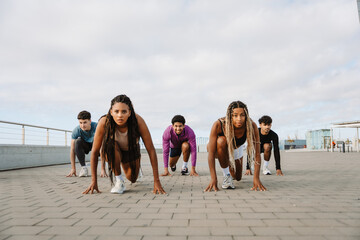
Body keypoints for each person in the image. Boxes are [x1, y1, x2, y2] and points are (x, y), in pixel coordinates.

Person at [83, 94, 166, 194]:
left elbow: (151, 150)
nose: (120, 115)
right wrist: (94, 181)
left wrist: (156, 181)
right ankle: (119, 181)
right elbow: (95, 151)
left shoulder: (138, 121)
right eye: (116, 111)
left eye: (124, 111)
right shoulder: (104, 122)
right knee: (108, 146)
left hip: (131, 151)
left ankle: (137, 168)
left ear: (129, 112)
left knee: (132, 179)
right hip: (115, 150)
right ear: (111, 112)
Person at [205, 101, 266, 192]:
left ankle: (228, 162)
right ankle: (226, 176)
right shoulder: (219, 124)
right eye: (235, 115)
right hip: (219, 147)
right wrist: (213, 178)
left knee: (237, 177)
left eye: (242, 115)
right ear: (230, 116)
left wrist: (256, 178)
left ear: (246, 115)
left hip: (237, 147)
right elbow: (211, 154)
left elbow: (257, 153)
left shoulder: (251, 125)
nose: (239, 119)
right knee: (221, 141)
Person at [66, 111, 107, 178]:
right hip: (86, 146)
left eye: (85, 122)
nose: (82, 125)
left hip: (97, 145)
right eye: (80, 123)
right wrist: (73, 168)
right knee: (77, 141)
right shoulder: (77, 130)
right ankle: (84, 168)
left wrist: (103, 169)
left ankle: (109, 167)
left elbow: (102, 148)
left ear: (90, 121)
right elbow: (72, 150)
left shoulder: (97, 127)